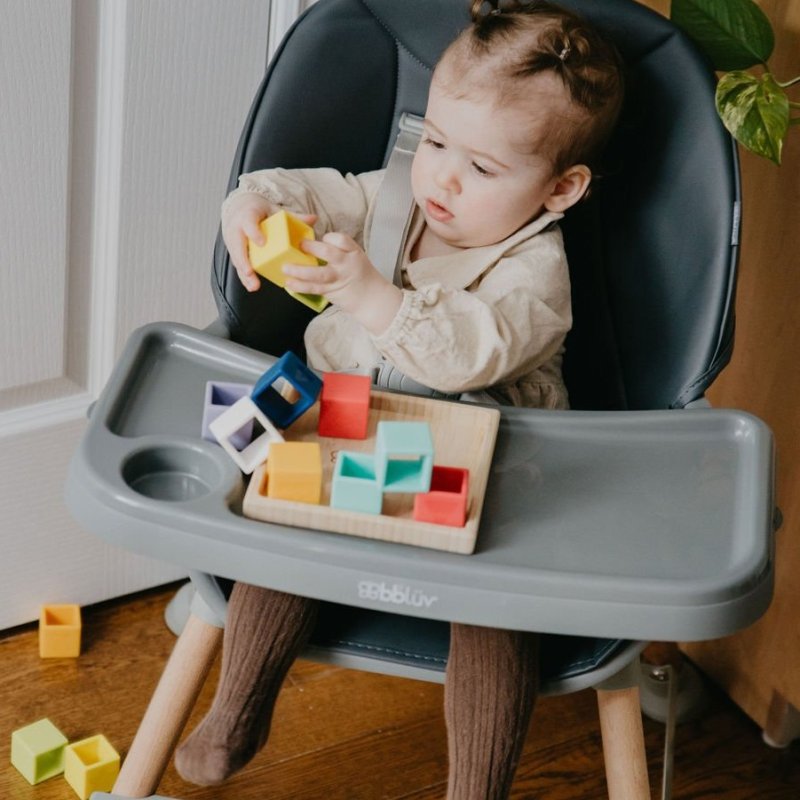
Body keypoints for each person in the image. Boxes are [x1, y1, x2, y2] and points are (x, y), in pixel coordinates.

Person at [176, 1, 624, 796]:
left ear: (560, 188)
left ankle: (475, 786)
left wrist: (371, 295)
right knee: (283, 525)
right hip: (349, 433)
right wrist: (252, 205)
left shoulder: (535, 274)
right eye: (437, 140)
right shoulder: (397, 195)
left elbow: (469, 353)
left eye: (482, 167)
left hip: (483, 473)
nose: (442, 177)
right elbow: (306, 192)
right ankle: (237, 712)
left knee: (497, 605)